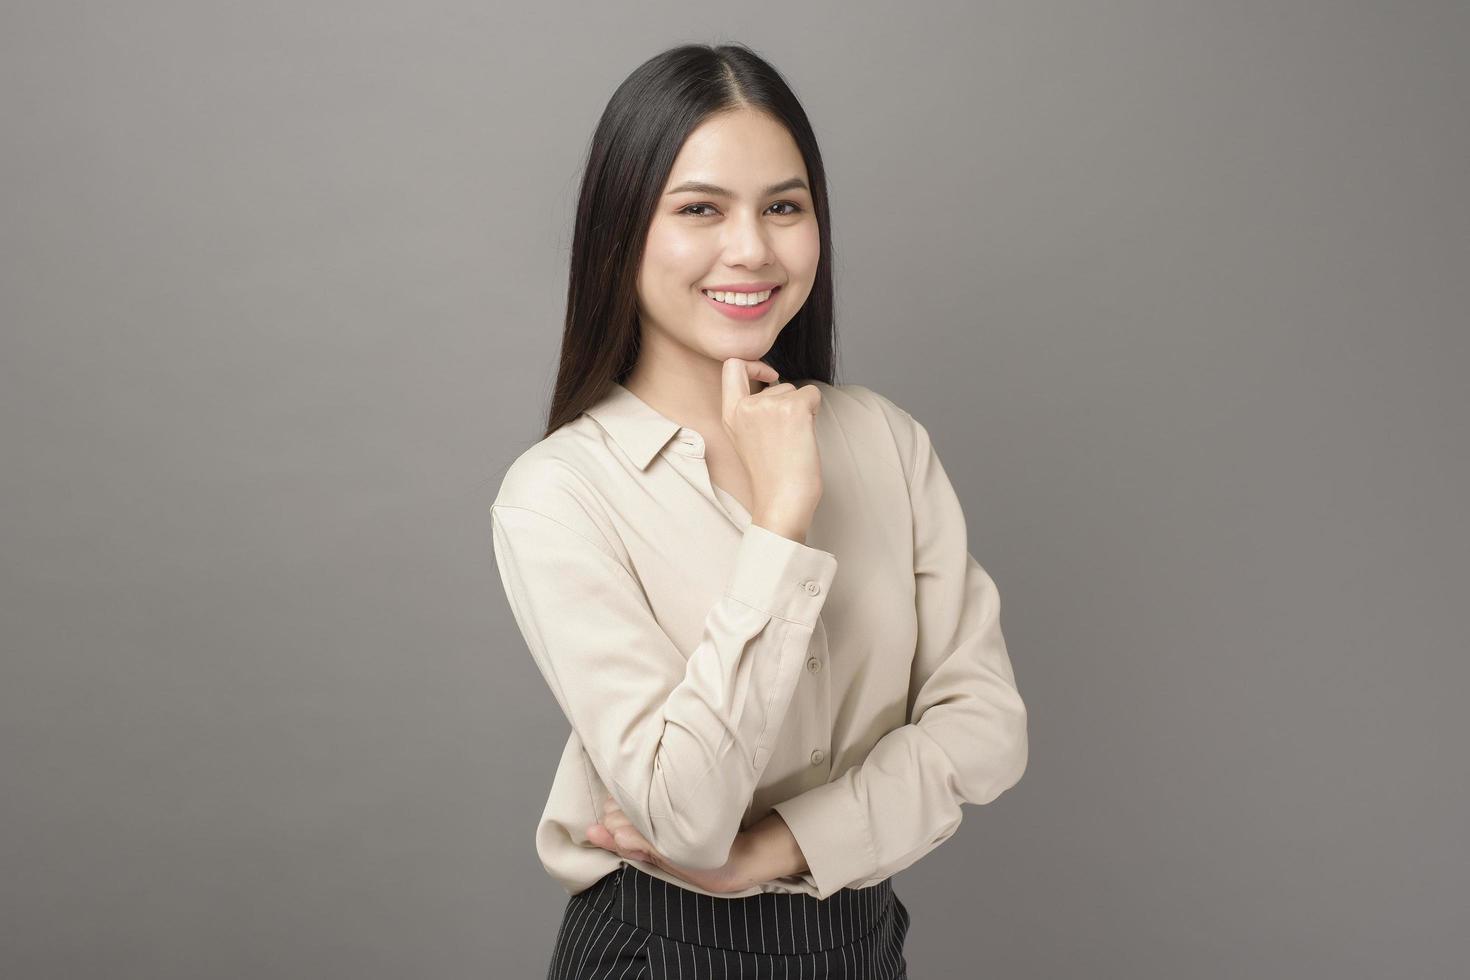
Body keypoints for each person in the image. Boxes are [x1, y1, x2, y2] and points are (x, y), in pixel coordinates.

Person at [490, 41, 1028, 980]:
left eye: (784, 206)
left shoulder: (888, 444)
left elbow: (985, 729)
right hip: (663, 950)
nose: (752, 249)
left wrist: (781, 847)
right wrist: (782, 522)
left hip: (860, 941)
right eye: (700, 209)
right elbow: (684, 817)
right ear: (622, 231)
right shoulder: (559, 496)